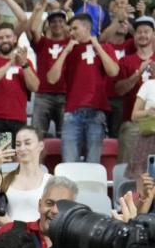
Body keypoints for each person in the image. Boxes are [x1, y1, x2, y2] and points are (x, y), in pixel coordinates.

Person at [47, 14, 120, 163]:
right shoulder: (69, 50)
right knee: (69, 162)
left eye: (75, 28)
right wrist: (65, 51)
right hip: (72, 113)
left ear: (87, 27)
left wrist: (97, 46)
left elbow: (114, 72)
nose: (71, 32)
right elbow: (51, 79)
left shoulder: (105, 48)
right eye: (70, 29)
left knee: (93, 162)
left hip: (97, 112)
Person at [0, 24, 40, 158]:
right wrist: (8, 64)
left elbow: (35, 87)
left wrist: (24, 64)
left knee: (15, 163)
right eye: (0, 38)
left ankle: (9, 179)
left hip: (16, 119)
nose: (4, 40)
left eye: (8, 36)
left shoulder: (25, 62)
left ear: (14, 39)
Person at [0, 126, 50, 226]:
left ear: (41, 145)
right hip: (8, 238)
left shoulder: (51, 181)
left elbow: (52, 222)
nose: (22, 148)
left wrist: (11, 225)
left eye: (27, 143)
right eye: (18, 144)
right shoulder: (3, 177)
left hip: (37, 239)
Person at [28, 3, 70, 139]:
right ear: (48, 25)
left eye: (60, 21)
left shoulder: (71, 43)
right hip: (43, 95)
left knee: (65, 137)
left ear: (65, 24)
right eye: (53, 21)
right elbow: (33, 29)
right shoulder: (43, 43)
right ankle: (37, 160)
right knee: (37, 136)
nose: (57, 24)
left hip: (65, 95)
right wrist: (43, 5)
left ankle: (63, 161)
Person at [119, 16, 154, 171]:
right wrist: (137, 74)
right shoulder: (126, 61)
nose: (143, 35)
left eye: (147, 31)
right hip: (132, 123)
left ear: (153, 35)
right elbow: (119, 90)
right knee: (128, 168)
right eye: (139, 32)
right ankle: (124, 192)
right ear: (134, 36)